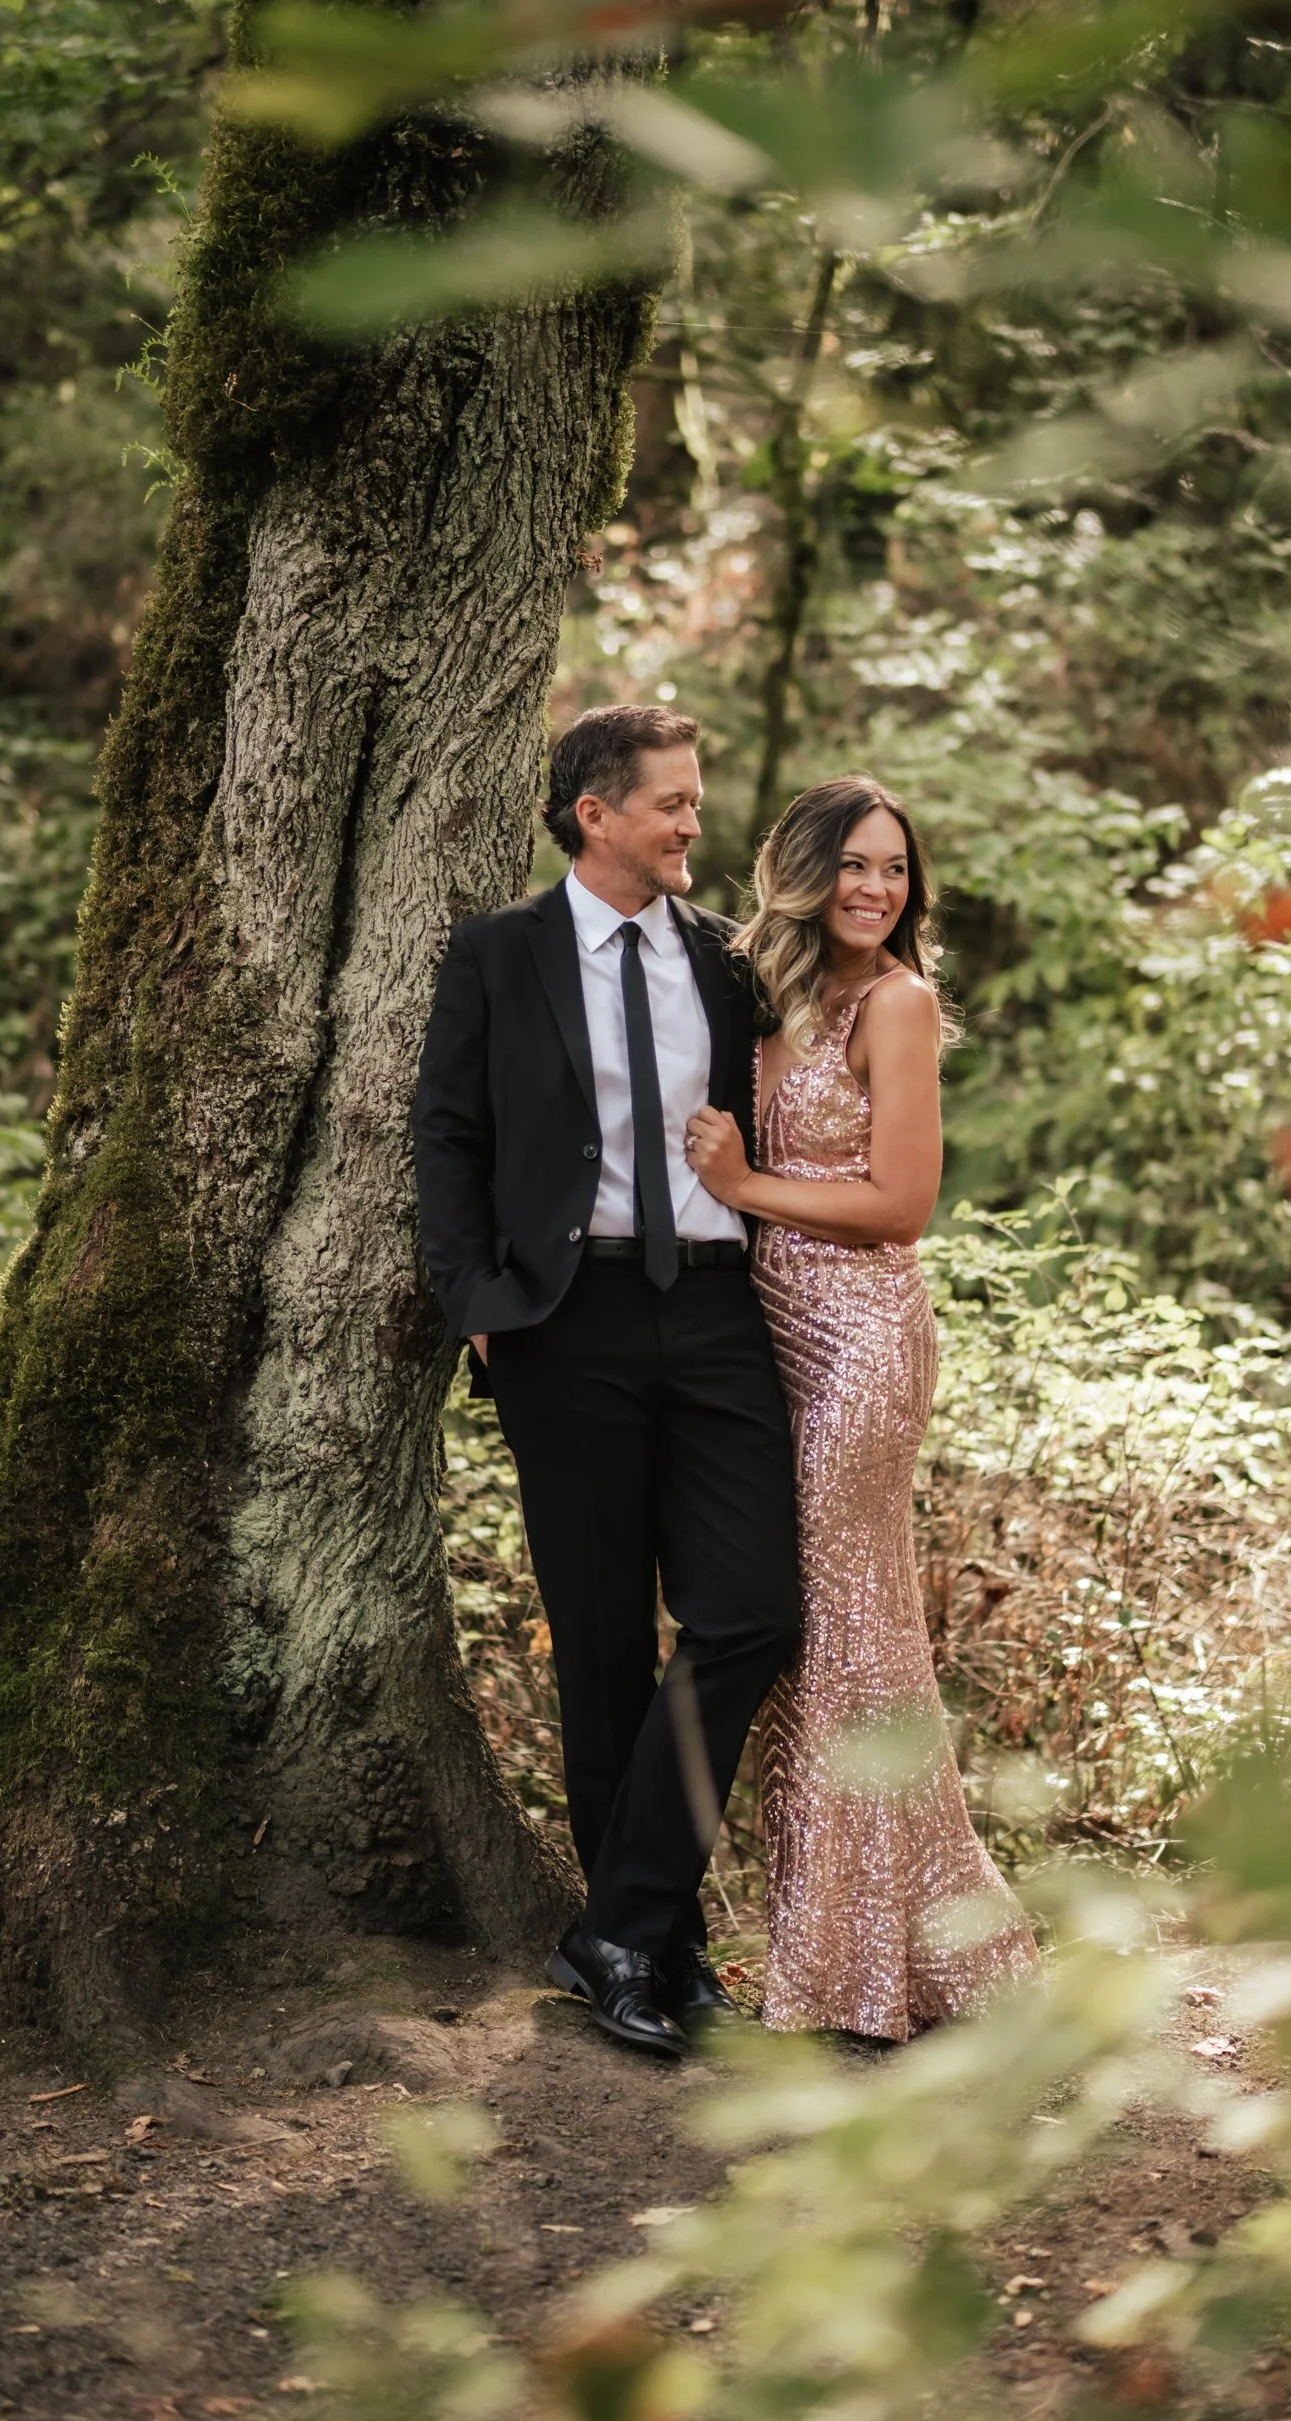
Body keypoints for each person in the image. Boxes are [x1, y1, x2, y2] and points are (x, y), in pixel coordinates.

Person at [412, 705, 801, 2061]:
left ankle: (617, 1927)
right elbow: (447, 1135)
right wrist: (478, 1305)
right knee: (596, 1650)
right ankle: (660, 1951)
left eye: (694, 801)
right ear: (594, 813)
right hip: (559, 1325)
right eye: (671, 804)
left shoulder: (723, 961)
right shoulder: (496, 958)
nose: (694, 823)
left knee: (749, 1611)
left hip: (708, 1312)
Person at [686, 776, 1037, 2040]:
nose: (874, 888)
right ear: (804, 872)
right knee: (817, 1637)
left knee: (849, 1638)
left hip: (861, 1342)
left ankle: (860, 1978)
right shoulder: (771, 995)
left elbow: (900, 1205)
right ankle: (875, 1951)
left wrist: (745, 1182)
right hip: (761, 1342)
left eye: (893, 869)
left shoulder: (898, 1001)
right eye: (852, 866)